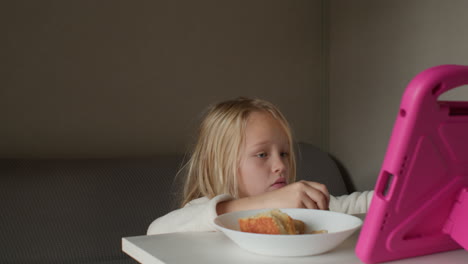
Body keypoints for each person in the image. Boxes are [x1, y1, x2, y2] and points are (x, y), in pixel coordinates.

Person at [147, 97, 373, 235]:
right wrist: (266, 203)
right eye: (262, 154)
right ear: (221, 162)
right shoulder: (204, 212)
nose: (280, 165)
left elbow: (363, 204)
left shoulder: (302, 210)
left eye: (284, 153)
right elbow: (156, 231)